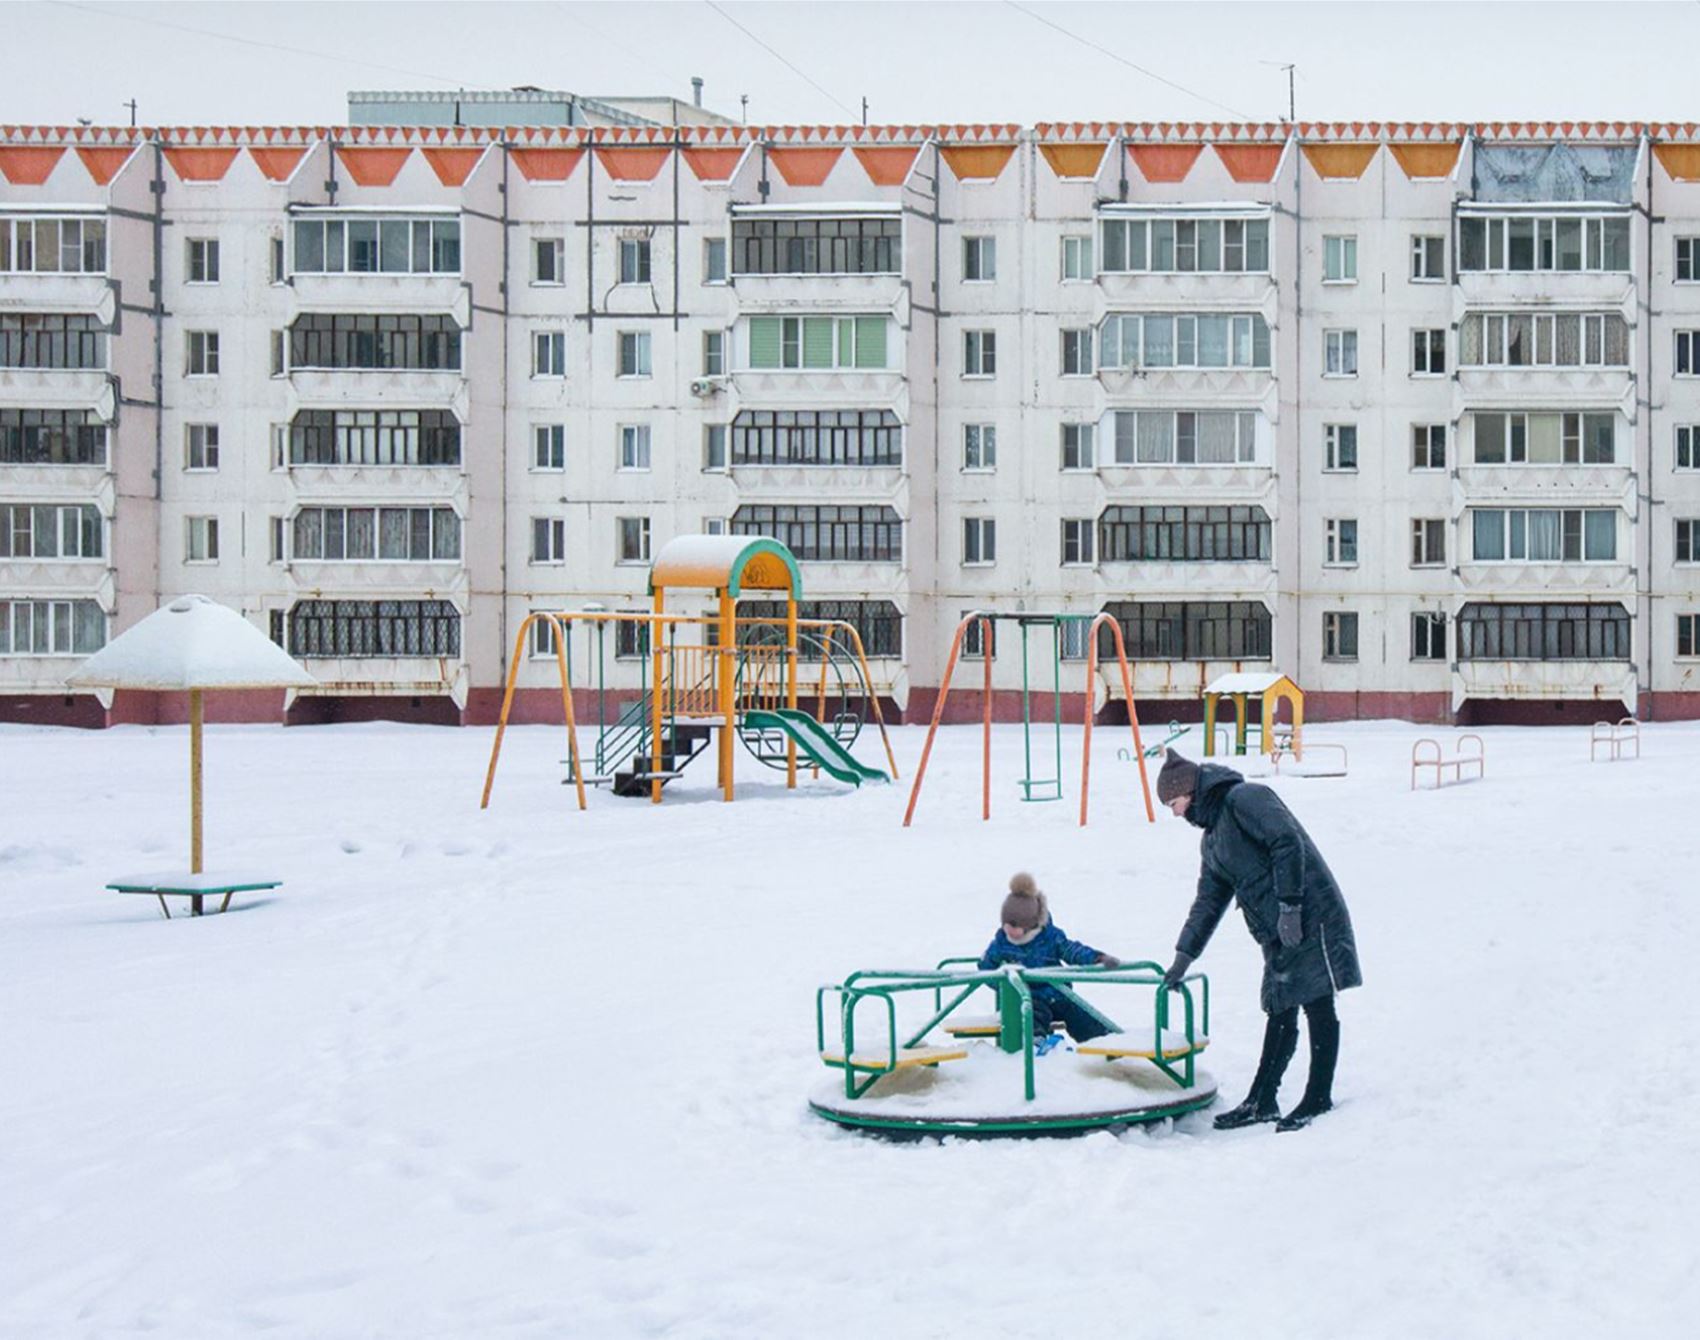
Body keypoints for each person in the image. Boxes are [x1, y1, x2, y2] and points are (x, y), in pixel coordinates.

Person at [1155, 749, 1361, 1133]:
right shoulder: (1213, 839)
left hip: (1309, 910)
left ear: (1189, 790)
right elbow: (1209, 901)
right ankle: (1262, 1100)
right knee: (1280, 1005)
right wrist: (1184, 955)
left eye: (1173, 803)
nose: (1175, 813)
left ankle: (1318, 1096)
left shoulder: (1245, 798)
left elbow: (1287, 842)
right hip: (1275, 927)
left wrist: (1290, 906)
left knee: (1317, 1000)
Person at [979, 872, 1122, 1046]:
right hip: (1028, 998)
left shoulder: (1050, 937)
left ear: (1030, 924)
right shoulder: (1001, 943)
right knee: (1032, 1013)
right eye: (1006, 924)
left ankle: (1104, 1042)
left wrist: (1097, 958)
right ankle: (1034, 1043)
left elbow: (1072, 951)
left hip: (1057, 994)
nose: (1009, 931)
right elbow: (985, 969)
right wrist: (1008, 987)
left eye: (1015, 926)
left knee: (1080, 1013)